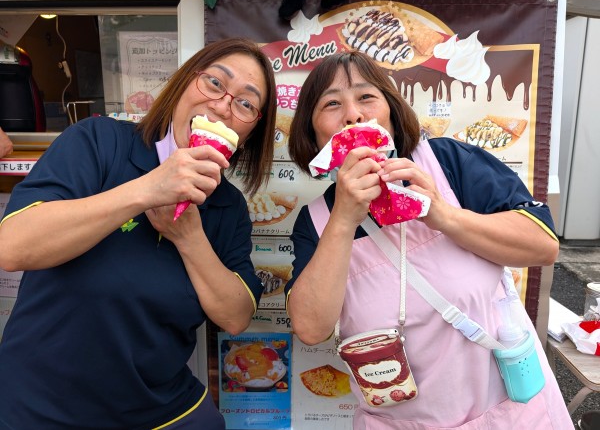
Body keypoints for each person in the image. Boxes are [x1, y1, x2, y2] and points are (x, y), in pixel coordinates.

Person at [285, 51, 573, 429]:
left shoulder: (447, 163)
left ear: (391, 112)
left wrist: (442, 213)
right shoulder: (316, 221)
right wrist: (342, 218)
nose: (353, 114)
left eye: (366, 97)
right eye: (332, 104)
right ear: (313, 134)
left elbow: (543, 246)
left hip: (510, 413)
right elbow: (310, 328)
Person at [0, 38, 277, 429]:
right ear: (184, 84)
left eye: (245, 103)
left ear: (250, 133)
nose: (222, 106)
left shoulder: (227, 206)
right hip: (41, 404)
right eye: (215, 83)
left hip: (156, 408)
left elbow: (236, 316)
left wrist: (189, 238)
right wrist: (148, 189)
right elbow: (13, 247)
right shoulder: (100, 141)